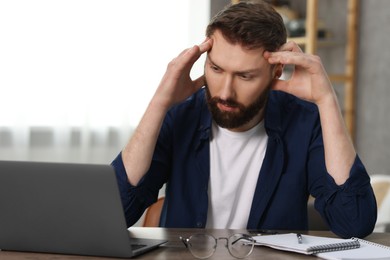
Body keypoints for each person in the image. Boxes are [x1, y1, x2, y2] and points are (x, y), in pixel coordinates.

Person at [111, 0, 377, 238]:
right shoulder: (180, 114)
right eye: (216, 69)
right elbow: (115, 213)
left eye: (244, 76)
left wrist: (326, 101)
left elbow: (353, 221)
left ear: (276, 70)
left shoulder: (304, 122)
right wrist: (160, 102)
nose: (225, 92)